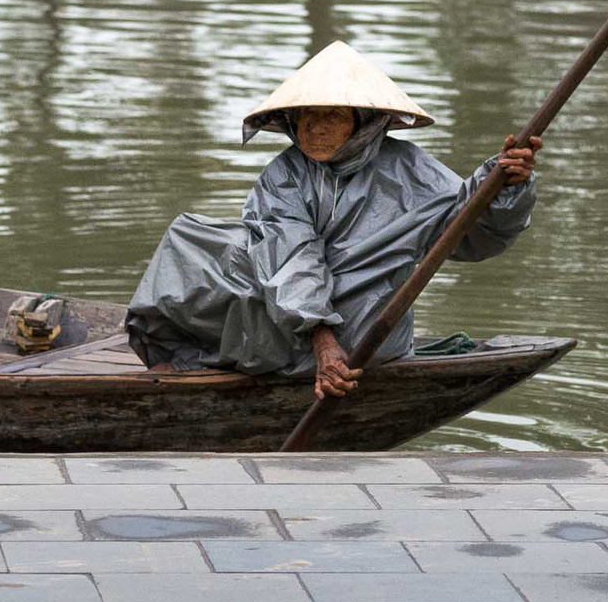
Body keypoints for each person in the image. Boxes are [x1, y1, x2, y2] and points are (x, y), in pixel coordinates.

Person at [125, 42, 540, 398]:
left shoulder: (411, 169)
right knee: (192, 236)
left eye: (331, 116)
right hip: (313, 326)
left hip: (361, 334)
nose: (315, 129)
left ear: (362, 122)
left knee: (214, 253)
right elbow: (291, 255)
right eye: (307, 116)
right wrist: (320, 338)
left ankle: (202, 359)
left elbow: (469, 236)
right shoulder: (286, 173)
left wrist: (503, 184)